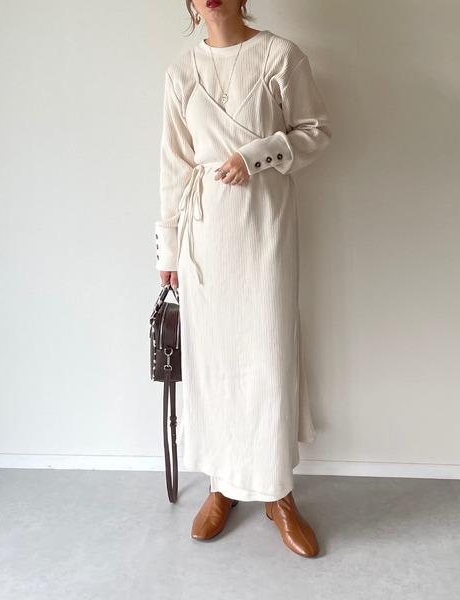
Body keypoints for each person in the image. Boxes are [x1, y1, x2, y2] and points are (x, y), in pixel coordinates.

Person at [154, 0, 332, 557]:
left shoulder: (280, 56)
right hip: (205, 234)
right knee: (213, 359)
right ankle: (221, 486)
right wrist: (168, 248)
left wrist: (258, 154)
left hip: (265, 225)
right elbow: (174, 164)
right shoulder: (182, 72)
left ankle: (278, 493)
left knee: (267, 354)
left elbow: (316, 132)